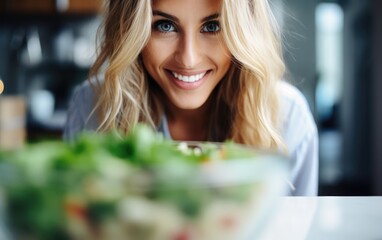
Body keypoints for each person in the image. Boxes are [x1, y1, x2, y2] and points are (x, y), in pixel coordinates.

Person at [64, 0, 318, 196]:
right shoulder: (91, 106)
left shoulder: (287, 117)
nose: (189, 59)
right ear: (131, 31)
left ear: (244, 32)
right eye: (165, 26)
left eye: (212, 26)